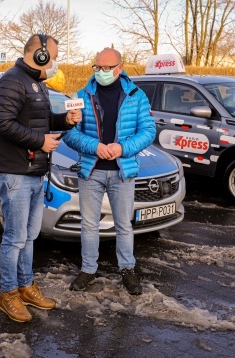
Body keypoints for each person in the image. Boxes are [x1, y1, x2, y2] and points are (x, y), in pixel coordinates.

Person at [0, 33, 82, 323]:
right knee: (15, 238)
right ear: (40, 54)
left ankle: (26, 286)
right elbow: (2, 123)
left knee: (30, 236)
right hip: (16, 172)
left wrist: (63, 121)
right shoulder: (13, 79)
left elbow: (39, 121)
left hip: (34, 172)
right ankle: (8, 294)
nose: (55, 63)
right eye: (53, 57)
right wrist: (39, 142)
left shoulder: (38, 83)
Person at [63, 48, 156, 295]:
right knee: (89, 224)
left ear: (120, 67)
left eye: (107, 68)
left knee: (124, 224)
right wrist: (96, 147)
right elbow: (70, 134)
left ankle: (127, 270)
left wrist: (122, 147)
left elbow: (148, 131)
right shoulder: (82, 95)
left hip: (122, 171)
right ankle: (88, 270)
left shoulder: (136, 96)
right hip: (91, 171)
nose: (102, 72)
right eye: (98, 68)